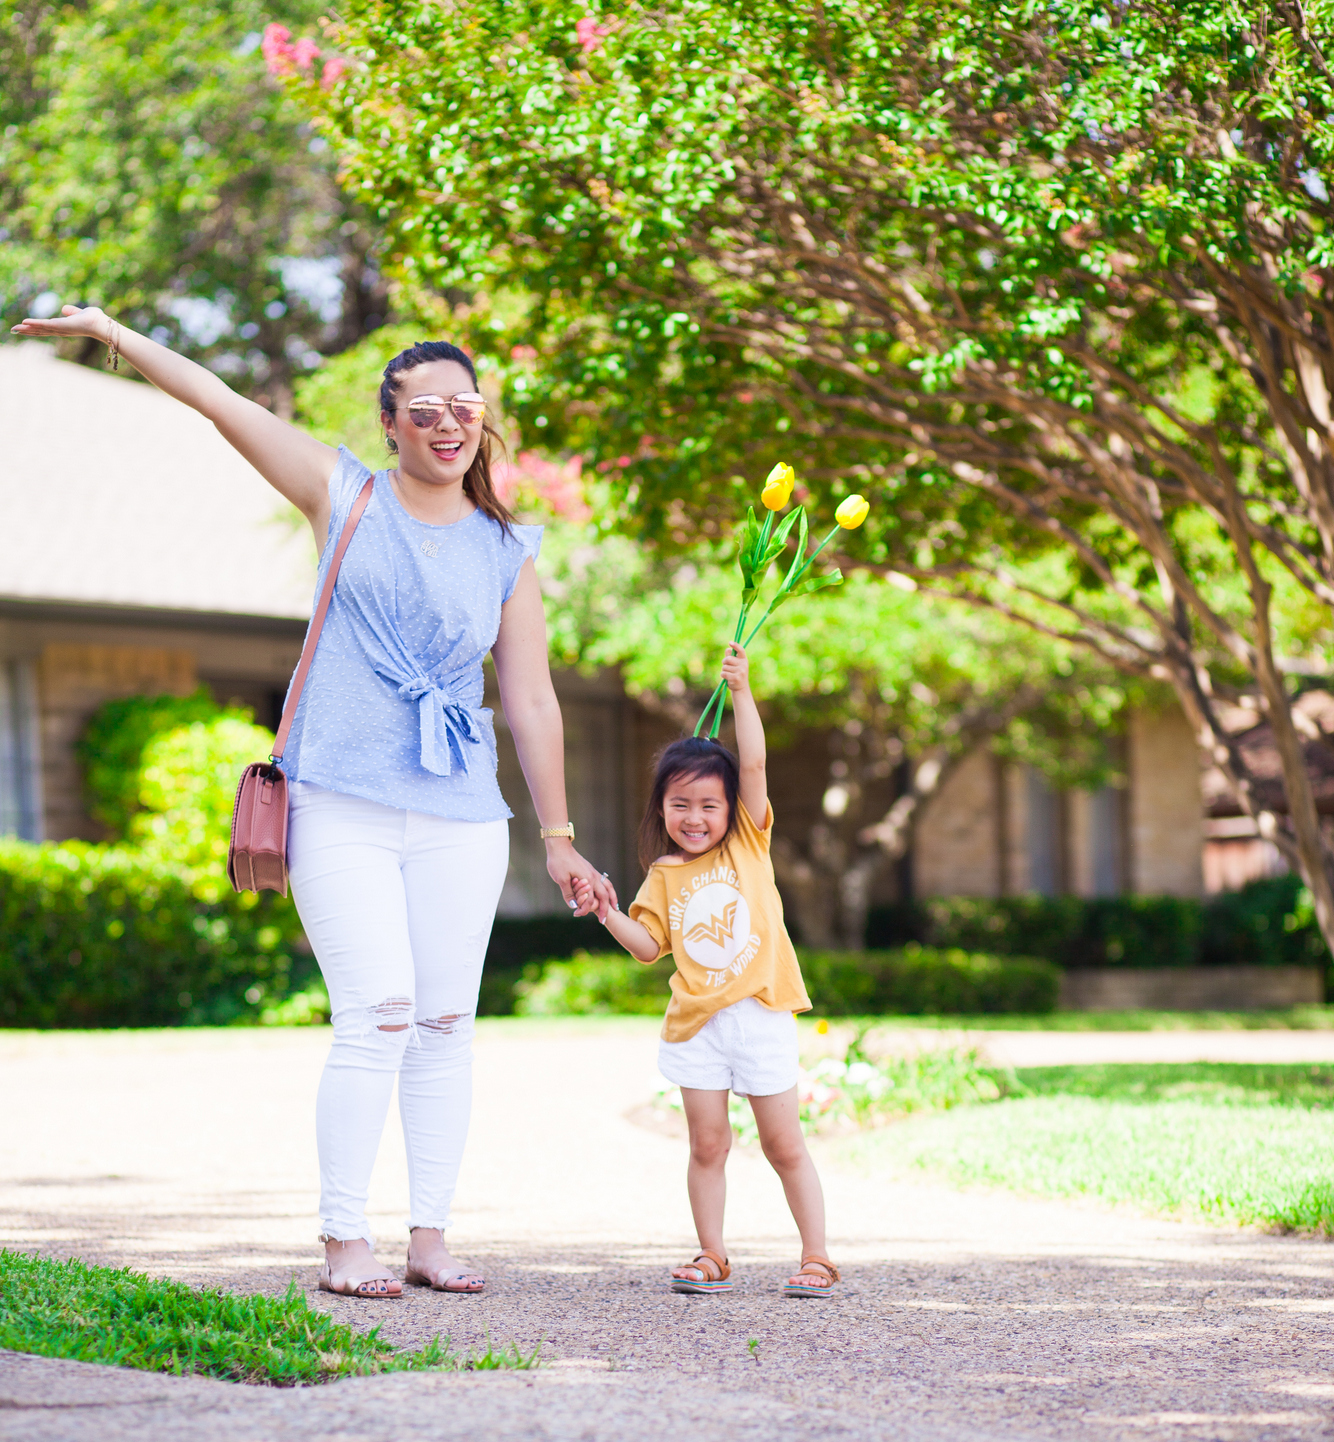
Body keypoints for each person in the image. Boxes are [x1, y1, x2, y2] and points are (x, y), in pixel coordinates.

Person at [12, 305, 615, 1298]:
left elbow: (532, 694)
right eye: (424, 407)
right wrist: (115, 335)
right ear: (389, 422)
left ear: (482, 419)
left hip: (462, 815)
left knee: (444, 1023)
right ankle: (345, 1239)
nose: (447, 421)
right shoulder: (343, 493)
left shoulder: (506, 547)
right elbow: (219, 402)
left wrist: (556, 834)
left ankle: (429, 1235)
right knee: (376, 1010)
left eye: (464, 404)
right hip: (343, 803)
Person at [598, 642, 838, 1296]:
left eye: (709, 804)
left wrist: (742, 692)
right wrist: (605, 910)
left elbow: (753, 760)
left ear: (731, 808)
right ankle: (712, 1254)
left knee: (784, 1144)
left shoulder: (749, 844)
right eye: (681, 805)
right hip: (698, 1028)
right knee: (708, 1146)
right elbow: (648, 947)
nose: (695, 817)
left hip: (758, 1017)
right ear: (662, 809)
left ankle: (816, 1256)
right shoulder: (664, 875)